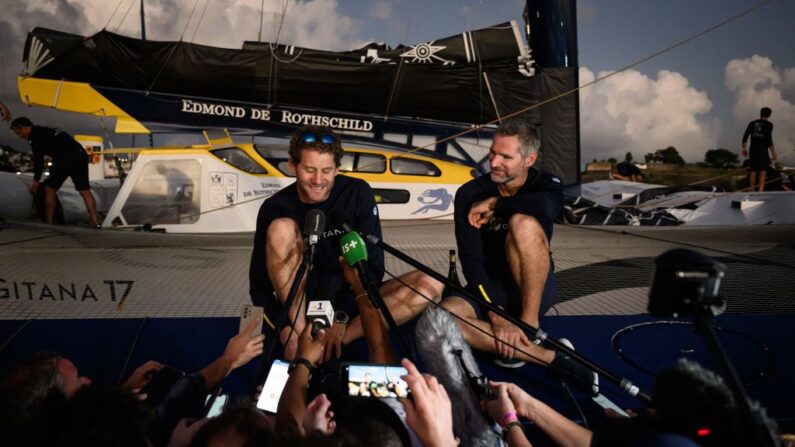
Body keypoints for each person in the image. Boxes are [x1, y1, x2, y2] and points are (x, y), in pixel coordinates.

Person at [249, 124, 441, 361]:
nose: (318, 180)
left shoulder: (357, 192)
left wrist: (341, 319)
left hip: (349, 302)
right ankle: (304, 339)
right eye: (309, 170)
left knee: (430, 283)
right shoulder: (274, 207)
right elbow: (258, 287)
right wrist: (286, 330)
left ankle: (335, 342)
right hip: (301, 305)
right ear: (293, 165)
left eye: (326, 171)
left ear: (338, 169)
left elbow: (373, 267)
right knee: (281, 228)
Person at [439, 118, 595, 389]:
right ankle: (549, 356)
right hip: (489, 286)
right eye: (492, 152)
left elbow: (548, 208)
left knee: (523, 223)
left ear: (529, 159)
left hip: (530, 285)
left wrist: (498, 204)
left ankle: (528, 326)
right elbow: (472, 262)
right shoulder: (469, 194)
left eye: (506, 156)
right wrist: (497, 317)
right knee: (443, 318)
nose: (494, 162)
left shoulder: (546, 183)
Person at [9, 117, 100, 226]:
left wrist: (36, 180)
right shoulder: (46, 130)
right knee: (85, 190)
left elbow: (39, 159)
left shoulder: (34, 136)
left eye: (18, 133)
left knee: (49, 188)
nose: (19, 136)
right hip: (80, 154)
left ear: (24, 128)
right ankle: (96, 223)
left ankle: (49, 223)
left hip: (65, 157)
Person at [742, 107, 778, 192]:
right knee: (762, 172)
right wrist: (773, 152)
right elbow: (768, 140)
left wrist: (744, 148)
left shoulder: (752, 123)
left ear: (760, 113)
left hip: (753, 150)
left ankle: (751, 191)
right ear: (769, 115)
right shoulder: (769, 125)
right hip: (762, 151)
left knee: (753, 172)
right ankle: (760, 191)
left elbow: (745, 136)